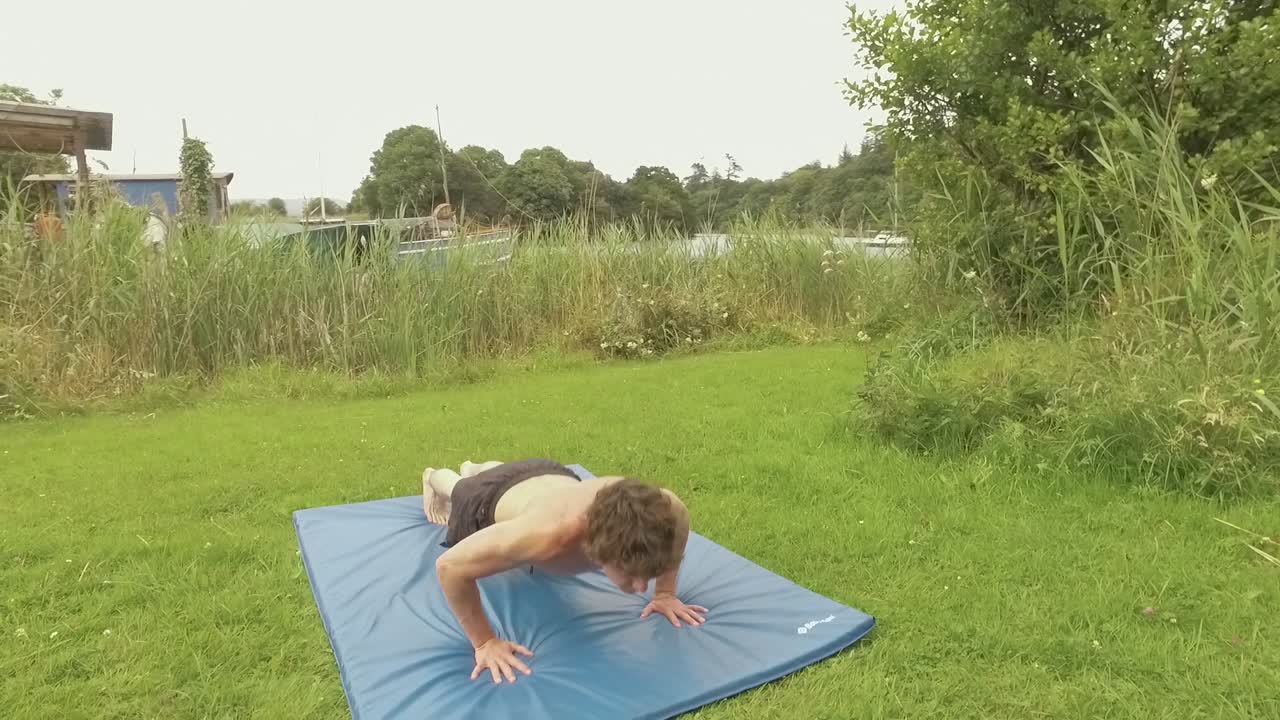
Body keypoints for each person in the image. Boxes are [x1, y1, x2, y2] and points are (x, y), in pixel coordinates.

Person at [422, 458, 709, 684]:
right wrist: (484, 642)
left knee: (499, 474)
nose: (640, 587)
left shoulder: (666, 509)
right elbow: (450, 567)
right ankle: (436, 475)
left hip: (551, 475)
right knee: (459, 488)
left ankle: (481, 468)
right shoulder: (547, 537)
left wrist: (666, 593)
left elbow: (679, 520)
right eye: (631, 575)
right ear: (595, 550)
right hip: (489, 499)